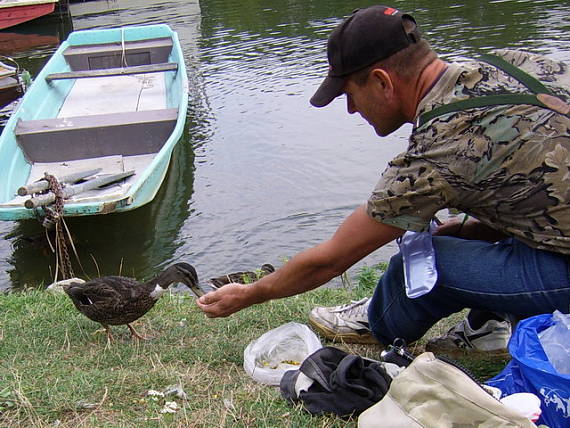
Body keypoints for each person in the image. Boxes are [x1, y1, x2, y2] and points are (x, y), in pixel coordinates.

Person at [197, 4, 570, 355]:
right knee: (465, 226)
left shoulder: (440, 147)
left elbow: (329, 261)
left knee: (429, 261)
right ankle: (485, 327)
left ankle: (377, 320)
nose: (351, 108)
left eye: (350, 94)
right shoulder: (514, 64)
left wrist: (249, 294)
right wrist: (477, 229)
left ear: (381, 81)